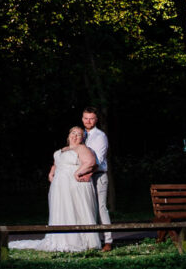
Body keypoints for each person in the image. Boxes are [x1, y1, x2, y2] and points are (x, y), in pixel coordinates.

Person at [11, 127, 101, 252]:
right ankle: (61, 238)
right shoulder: (62, 150)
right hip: (60, 185)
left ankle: (79, 240)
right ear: (68, 135)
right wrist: (51, 173)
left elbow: (91, 162)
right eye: (73, 133)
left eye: (79, 134)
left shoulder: (82, 148)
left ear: (82, 138)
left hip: (74, 184)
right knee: (61, 209)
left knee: (74, 209)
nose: (75, 136)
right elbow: (56, 163)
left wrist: (78, 173)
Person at [75, 106, 113, 252]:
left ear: (96, 119)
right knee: (87, 208)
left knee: (101, 208)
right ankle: (90, 240)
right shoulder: (79, 135)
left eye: (91, 118)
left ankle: (108, 241)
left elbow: (98, 160)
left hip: (98, 176)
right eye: (85, 118)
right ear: (82, 119)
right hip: (83, 176)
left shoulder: (100, 136)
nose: (88, 121)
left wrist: (89, 174)